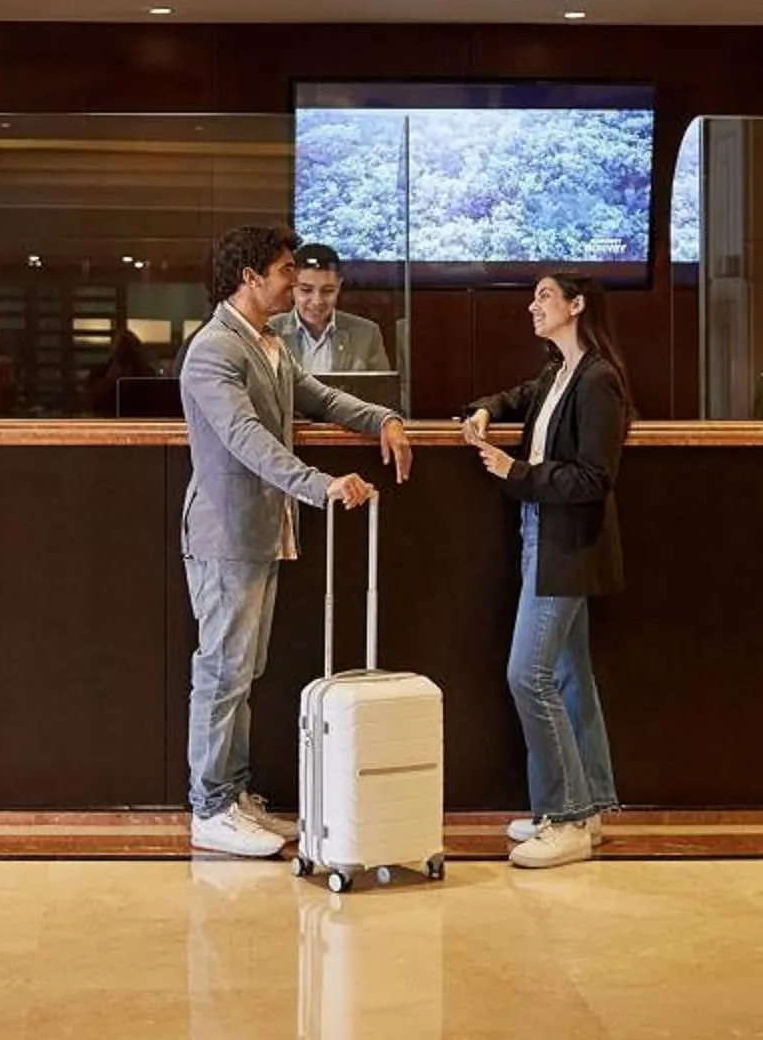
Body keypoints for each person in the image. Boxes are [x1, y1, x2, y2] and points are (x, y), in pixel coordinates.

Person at [179, 224, 415, 857]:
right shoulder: (213, 350)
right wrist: (320, 486)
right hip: (227, 535)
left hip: (261, 533)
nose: (295, 281)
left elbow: (319, 397)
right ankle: (209, 808)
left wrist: (383, 418)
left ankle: (233, 795)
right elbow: (247, 438)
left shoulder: (269, 342)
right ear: (251, 278)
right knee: (223, 672)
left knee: (244, 670)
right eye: (286, 272)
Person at [461, 272, 631, 869]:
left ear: (577, 305)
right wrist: (483, 411)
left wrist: (515, 472)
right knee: (567, 675)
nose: (532, 306)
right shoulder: (558, 373)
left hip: (567, 545)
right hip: (544, 534)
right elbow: (513, 399)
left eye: (545, 297)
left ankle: (565, 818)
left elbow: (593, 479)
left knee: (527, 674)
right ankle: (587, 809)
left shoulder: (599, 380)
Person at [268, 242, 392, 375]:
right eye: (306, 290)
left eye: (327, 291)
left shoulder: (366, 334)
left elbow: (384, 392)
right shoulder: (269, 331)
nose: (317, 301)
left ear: (339, 286)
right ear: (291, 285)